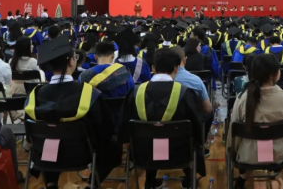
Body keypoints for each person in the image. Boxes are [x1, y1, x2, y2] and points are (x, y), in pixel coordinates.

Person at [24, 35, 121, 186]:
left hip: (46, 155)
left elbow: (30, 136)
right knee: (114, 146)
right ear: (71, 62)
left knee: (50, 137)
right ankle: (93, 184)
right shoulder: (88, 93)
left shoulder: (35, 95)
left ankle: (51, 183)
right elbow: (105, 131)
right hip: (81, 155)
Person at [119, 49, 206, 189]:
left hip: (143, 153)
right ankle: (189, 178)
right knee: (189, 140)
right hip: (179, 153)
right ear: (176, 69)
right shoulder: (186, 94)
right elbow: (197, 130)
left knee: (150, 135)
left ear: (153, 68)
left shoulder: (135, 93)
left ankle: (150, 180)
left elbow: (123, 130)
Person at [228, 53, 283, 189]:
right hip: (279, 155)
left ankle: (242, 178)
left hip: (248, 155)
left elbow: (233, 135)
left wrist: (232, 151)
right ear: (273, 75)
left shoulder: (243, 97)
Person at [170, 45, 214, 157]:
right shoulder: (195, 81)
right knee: (209, 113)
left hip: (163, 127)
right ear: (185, 60)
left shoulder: (157, 82)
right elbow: (208, 109)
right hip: (190, 124)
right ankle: (200, 144)